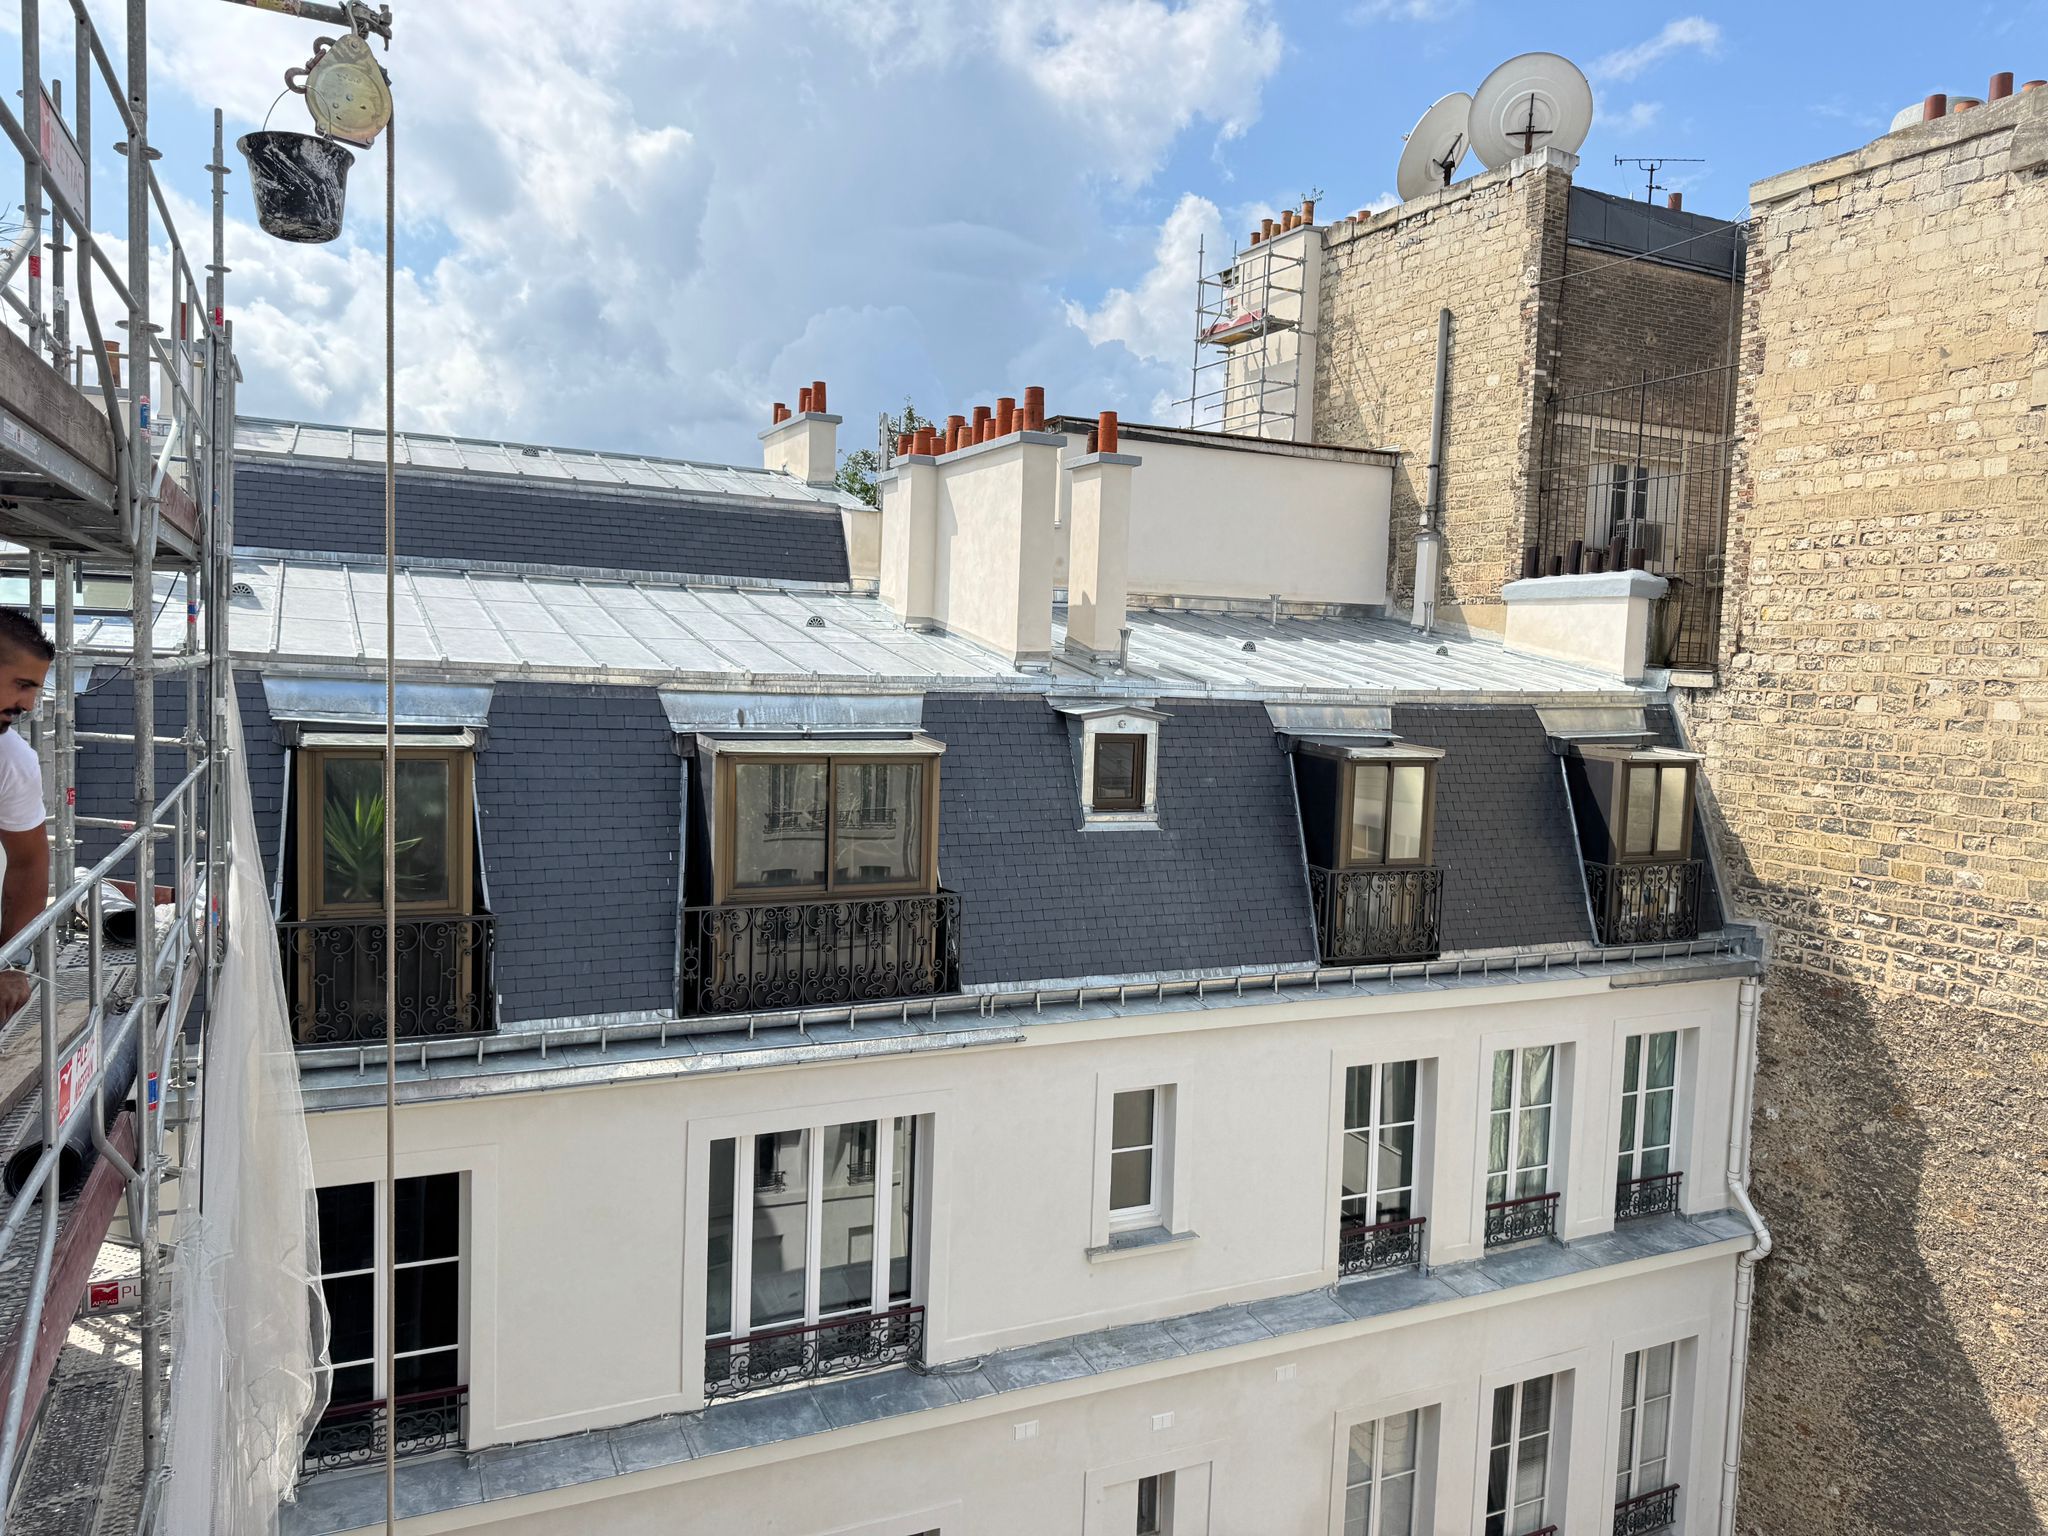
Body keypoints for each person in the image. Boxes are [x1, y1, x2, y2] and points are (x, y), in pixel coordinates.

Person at [0, 608, 52, 1018]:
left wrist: (12, 963)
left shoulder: (12, 760)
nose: (28, 705)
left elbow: (29, 859)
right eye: (22, 685)